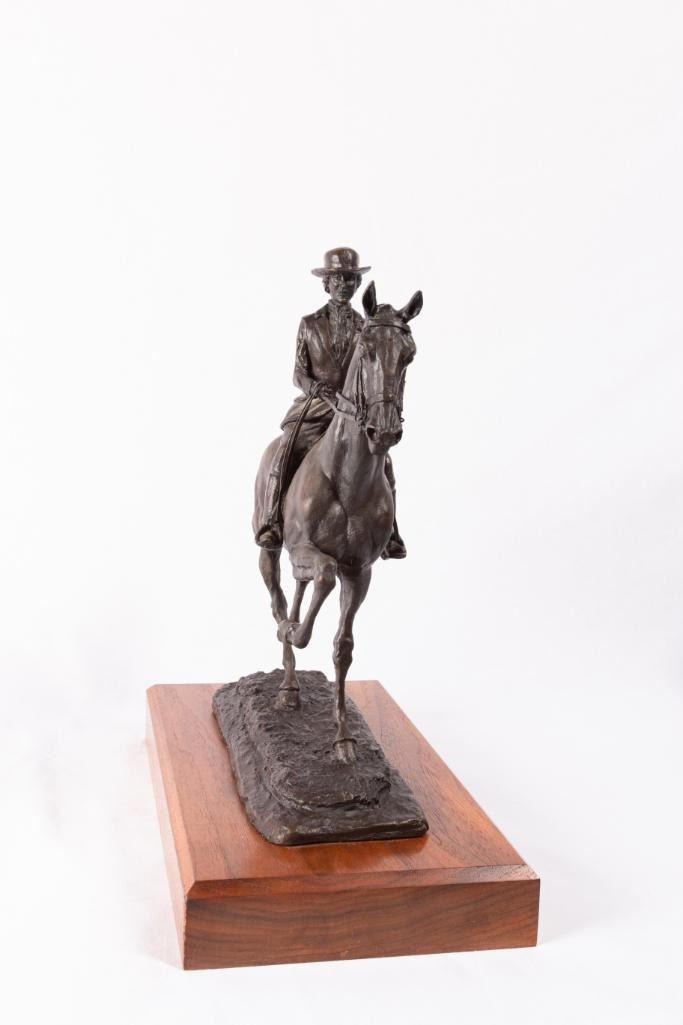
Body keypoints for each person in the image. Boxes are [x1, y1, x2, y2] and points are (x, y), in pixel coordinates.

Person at [254, 247, 406, 559]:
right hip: (316, 406)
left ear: (357, 284)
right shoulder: (309, 324)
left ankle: (391, 532)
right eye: (338, 279)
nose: (344, 285)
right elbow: (298, 373)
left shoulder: (366, 327)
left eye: (350, 279)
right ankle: (271, 520)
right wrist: (317, 388)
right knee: (285, 450)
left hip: (352, 410)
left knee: (384, 461)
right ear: (327, 283)